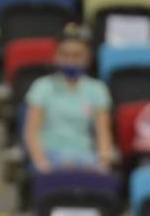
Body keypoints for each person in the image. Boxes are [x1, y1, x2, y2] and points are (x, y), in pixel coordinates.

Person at [23, 25, 113, 172]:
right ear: (56, 57)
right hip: (49, 157)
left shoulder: (97, 89)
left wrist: (103, 164)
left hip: (85, 158)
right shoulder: (42, 86)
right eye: (65, 54)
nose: (70, 60)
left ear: (87, 58)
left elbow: (103, 133)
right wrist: (42, 164)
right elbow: (31, 132)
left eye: (77, 55)